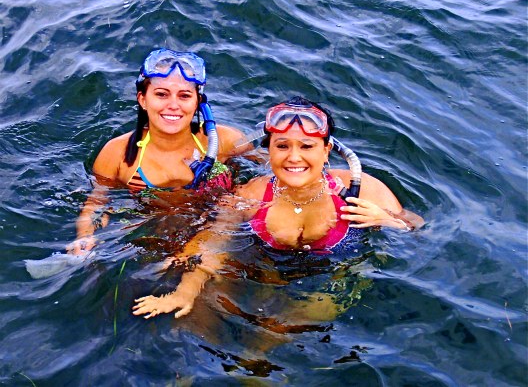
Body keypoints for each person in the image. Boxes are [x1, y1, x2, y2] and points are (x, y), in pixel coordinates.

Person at [132, 96, 424, 319]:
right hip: (265, 266)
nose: (293, 158)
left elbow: (418, 227)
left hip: (336, 272)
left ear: (326, 151)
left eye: (307, 147)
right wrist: (186, 289)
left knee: (275, 336)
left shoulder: (364, 190)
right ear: (269, 150)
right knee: (208, 304)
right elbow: (215, 240)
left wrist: (387, 220)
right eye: (282, 146)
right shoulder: (253, 194)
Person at [68, 49, 251, 255]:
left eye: (184, 96)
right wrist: (85, 236)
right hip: (151, 245)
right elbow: (96, 203)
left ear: (198, 102)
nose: (173, 105)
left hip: (223, 238)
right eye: (161, 94)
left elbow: (271, 169)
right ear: (143, 99)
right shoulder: (117, 153)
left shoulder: (224, 141)